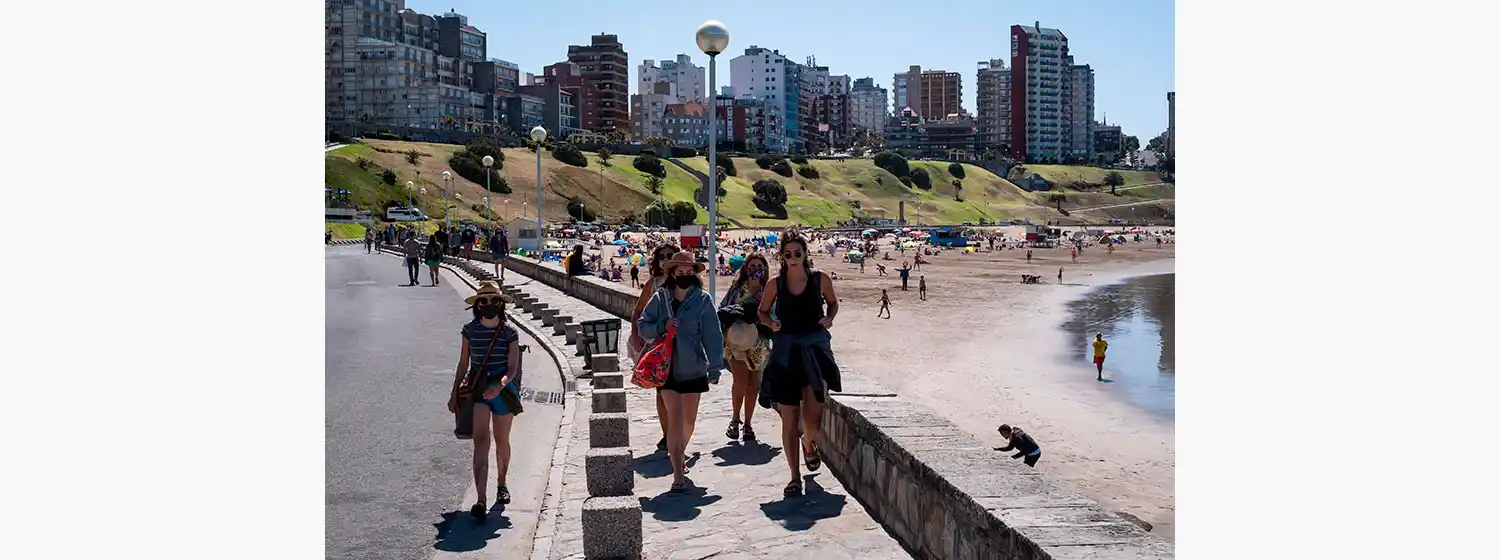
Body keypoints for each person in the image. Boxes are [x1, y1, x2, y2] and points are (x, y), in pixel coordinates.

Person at [757, 233, 842, 498]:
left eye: (797, 253)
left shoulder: (820, 279)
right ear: (781, 256)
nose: (793, 258)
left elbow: (833, 303)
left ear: (805, 253)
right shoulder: (775, 284)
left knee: (813, 415)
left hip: (815, 349)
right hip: (785, 351)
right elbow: (762, 311)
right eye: (788, 254)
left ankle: (809, 443)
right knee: (789, 417)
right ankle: (794, 477)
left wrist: (829, 318)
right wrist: (770, 324)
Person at [637, 251, 724, 492]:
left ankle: (680, 453)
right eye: (680, 271)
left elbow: (713, 335)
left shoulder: (703, 301)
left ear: (694, 274)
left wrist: (715, 367)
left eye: (689, 272)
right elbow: (643, 325)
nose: (684, 275)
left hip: (694, 367)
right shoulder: (660, 297)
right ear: (672, 273)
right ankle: (677, 473)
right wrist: (661, 326)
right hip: (666, 369)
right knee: (675, 417)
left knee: (688, 420)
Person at [447, 282, 523, 519]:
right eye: (484, 301)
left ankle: (501, 484)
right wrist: (453, 393)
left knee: (502, 441)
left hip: (503, 391)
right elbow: (463, 363)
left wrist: (500, 385)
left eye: (493, 301)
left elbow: (512, 367)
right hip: (478, 390)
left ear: (500, 304)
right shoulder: (469, 330)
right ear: (477, 305)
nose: (488, 305)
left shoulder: (510, 333)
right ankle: (480, 499)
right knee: (480, 441)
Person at [630, 244, 682, 452]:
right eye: (663, 256)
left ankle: (678, 432)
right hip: (659, 344)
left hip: (682, 344)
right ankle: (667, 434)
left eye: (670, 255)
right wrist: (635, 335)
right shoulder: (653, 283)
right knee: (661, 391)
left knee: (681, 392)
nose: (666, 258)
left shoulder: (685, 281)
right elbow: (638, 310)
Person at [719, 252, 771, 443]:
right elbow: (724, 308)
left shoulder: (769, 290)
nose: (755, 270)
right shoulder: (737, 289)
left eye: (759, 266)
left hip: (759, 342)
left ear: (764, 269)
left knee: (753, 385)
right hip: (735, 341)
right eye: (752, 266)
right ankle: (735, 419)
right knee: (740, 381)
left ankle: (748, 423)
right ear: (745, 268)